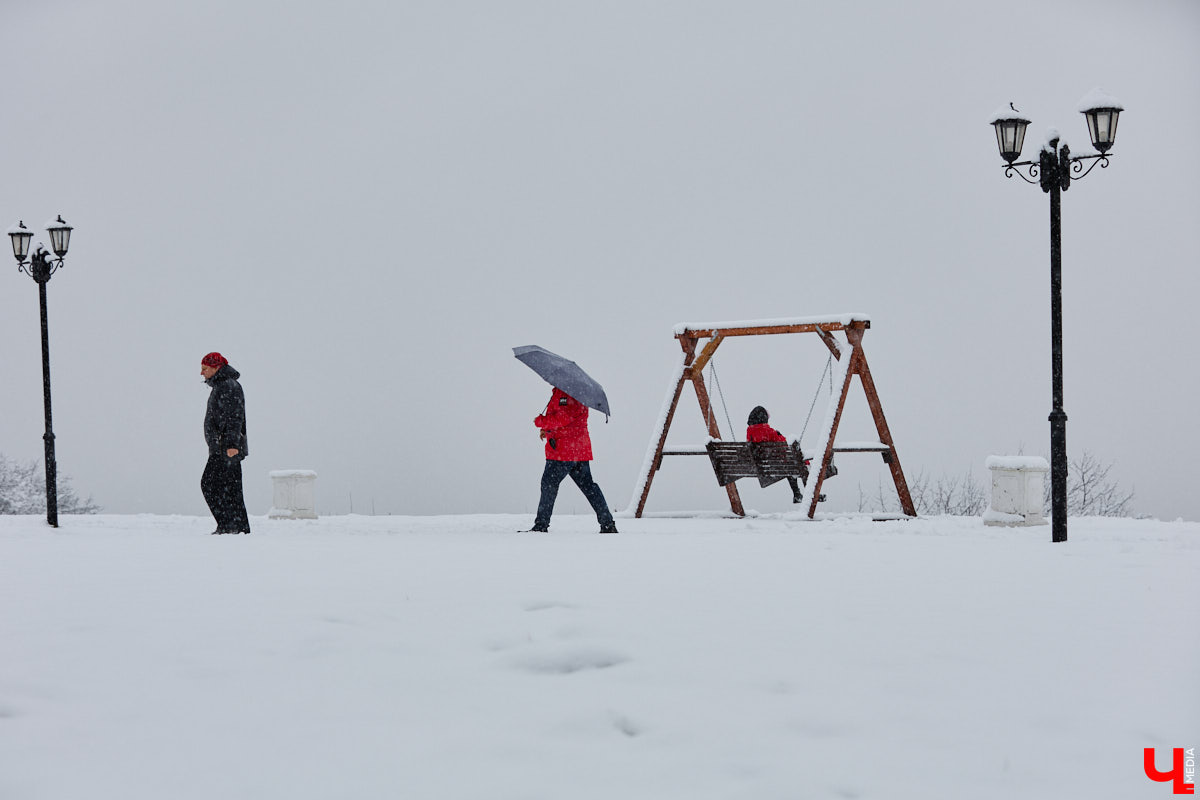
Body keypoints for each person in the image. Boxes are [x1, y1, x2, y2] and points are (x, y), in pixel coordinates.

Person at [529, 387, 618, 533]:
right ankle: (607, 523)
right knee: (588, 486)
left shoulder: (568, 392)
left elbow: (564, 417)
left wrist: (542, 421)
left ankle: (541, 525)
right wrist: (548, 430)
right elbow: (569, 421)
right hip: (577, 450)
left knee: (549, 484)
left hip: (564, 452)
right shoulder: (573, 392)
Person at [200, 352, 251, 534]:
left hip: (226, 448)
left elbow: (235, 417)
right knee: (230, 488)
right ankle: (236, 527)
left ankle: (229, 525)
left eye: (205, 368)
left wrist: (231, 445)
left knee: (209, 484)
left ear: (216, 367)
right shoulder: (221, 386)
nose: (201, 373)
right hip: (221, 447)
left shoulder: (228, 386)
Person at [746, 405, 804, 504]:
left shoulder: (750, 433)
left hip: (761, 466)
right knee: (797, 464)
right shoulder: (769, 432)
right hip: (775, 466)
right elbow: (784, 446)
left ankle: (797, 494)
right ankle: (801, 494)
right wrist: (779, 435)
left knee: (790, 466)